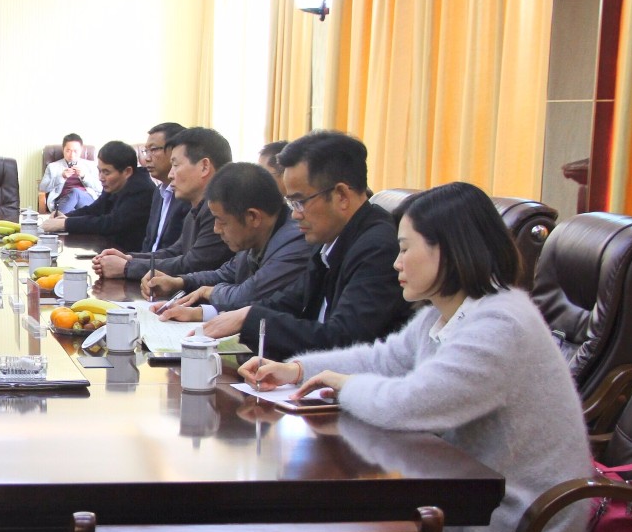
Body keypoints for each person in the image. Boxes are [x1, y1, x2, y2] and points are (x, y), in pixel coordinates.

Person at [240, 181, 592, 532]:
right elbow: (383, 359)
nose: (396, 262)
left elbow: (411, 404)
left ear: (449, 249)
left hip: (511, 523)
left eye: (406, 249)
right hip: (465, 496)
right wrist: (297, 370)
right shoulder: (444, 315)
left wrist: (343, 385)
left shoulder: (501, 323)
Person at [202, 130, 408, 360]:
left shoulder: (377, 248)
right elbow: (291, 300)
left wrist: (251, 319)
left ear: (341, 195)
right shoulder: (331, 237)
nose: (294, 215)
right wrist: (215, 313)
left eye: (299, 202)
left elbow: (344, 339)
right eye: (291, 203)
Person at [150, 161, 311, 317]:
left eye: (221, 221)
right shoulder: (255, 236)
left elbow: (247, 295)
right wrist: (180, 282)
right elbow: (225, 274)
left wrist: (210, 292)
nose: (216, 229)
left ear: (253, 217)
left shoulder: (295, 243)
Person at [93, 126, 233, 282]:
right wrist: (128, 258)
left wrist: (127, 267)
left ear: (204, 167)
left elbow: (193, 264)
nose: (171, 174)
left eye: (176, 165)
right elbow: (174, 252)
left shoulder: (220, 210)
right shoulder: (197, 208)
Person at [41, 140, 152, 251]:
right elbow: (94, 209)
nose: (100, 177)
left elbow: (111, 223)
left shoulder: (141, 189)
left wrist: (65, 223)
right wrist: (66, 216)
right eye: (100, 171)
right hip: (109, 247)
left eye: (106, 172)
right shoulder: (114, 183)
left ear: (127, 172)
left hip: (129, 254)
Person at [138, 121, 190, 252]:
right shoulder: (158, 192)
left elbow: (179, 253)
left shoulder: (188, 195)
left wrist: (130, 262)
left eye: (154, 149)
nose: (147, 158)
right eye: (146, 151)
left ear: (176, 151)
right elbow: (149, 243)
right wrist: (128, 259)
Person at [37, 133, 100, 215]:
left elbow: (100, 188)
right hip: (63, 201)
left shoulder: (91, 165)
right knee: (73, 212)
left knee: (75, 192)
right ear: (63, 149)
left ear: (81, 150)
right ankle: (64, 218)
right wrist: (61, 177)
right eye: (68, 151)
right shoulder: (53, 167)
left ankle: (57, 218)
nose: (72, 155)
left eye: (75, 151)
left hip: (85, 201)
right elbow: (42, 188)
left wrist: (84, 176)